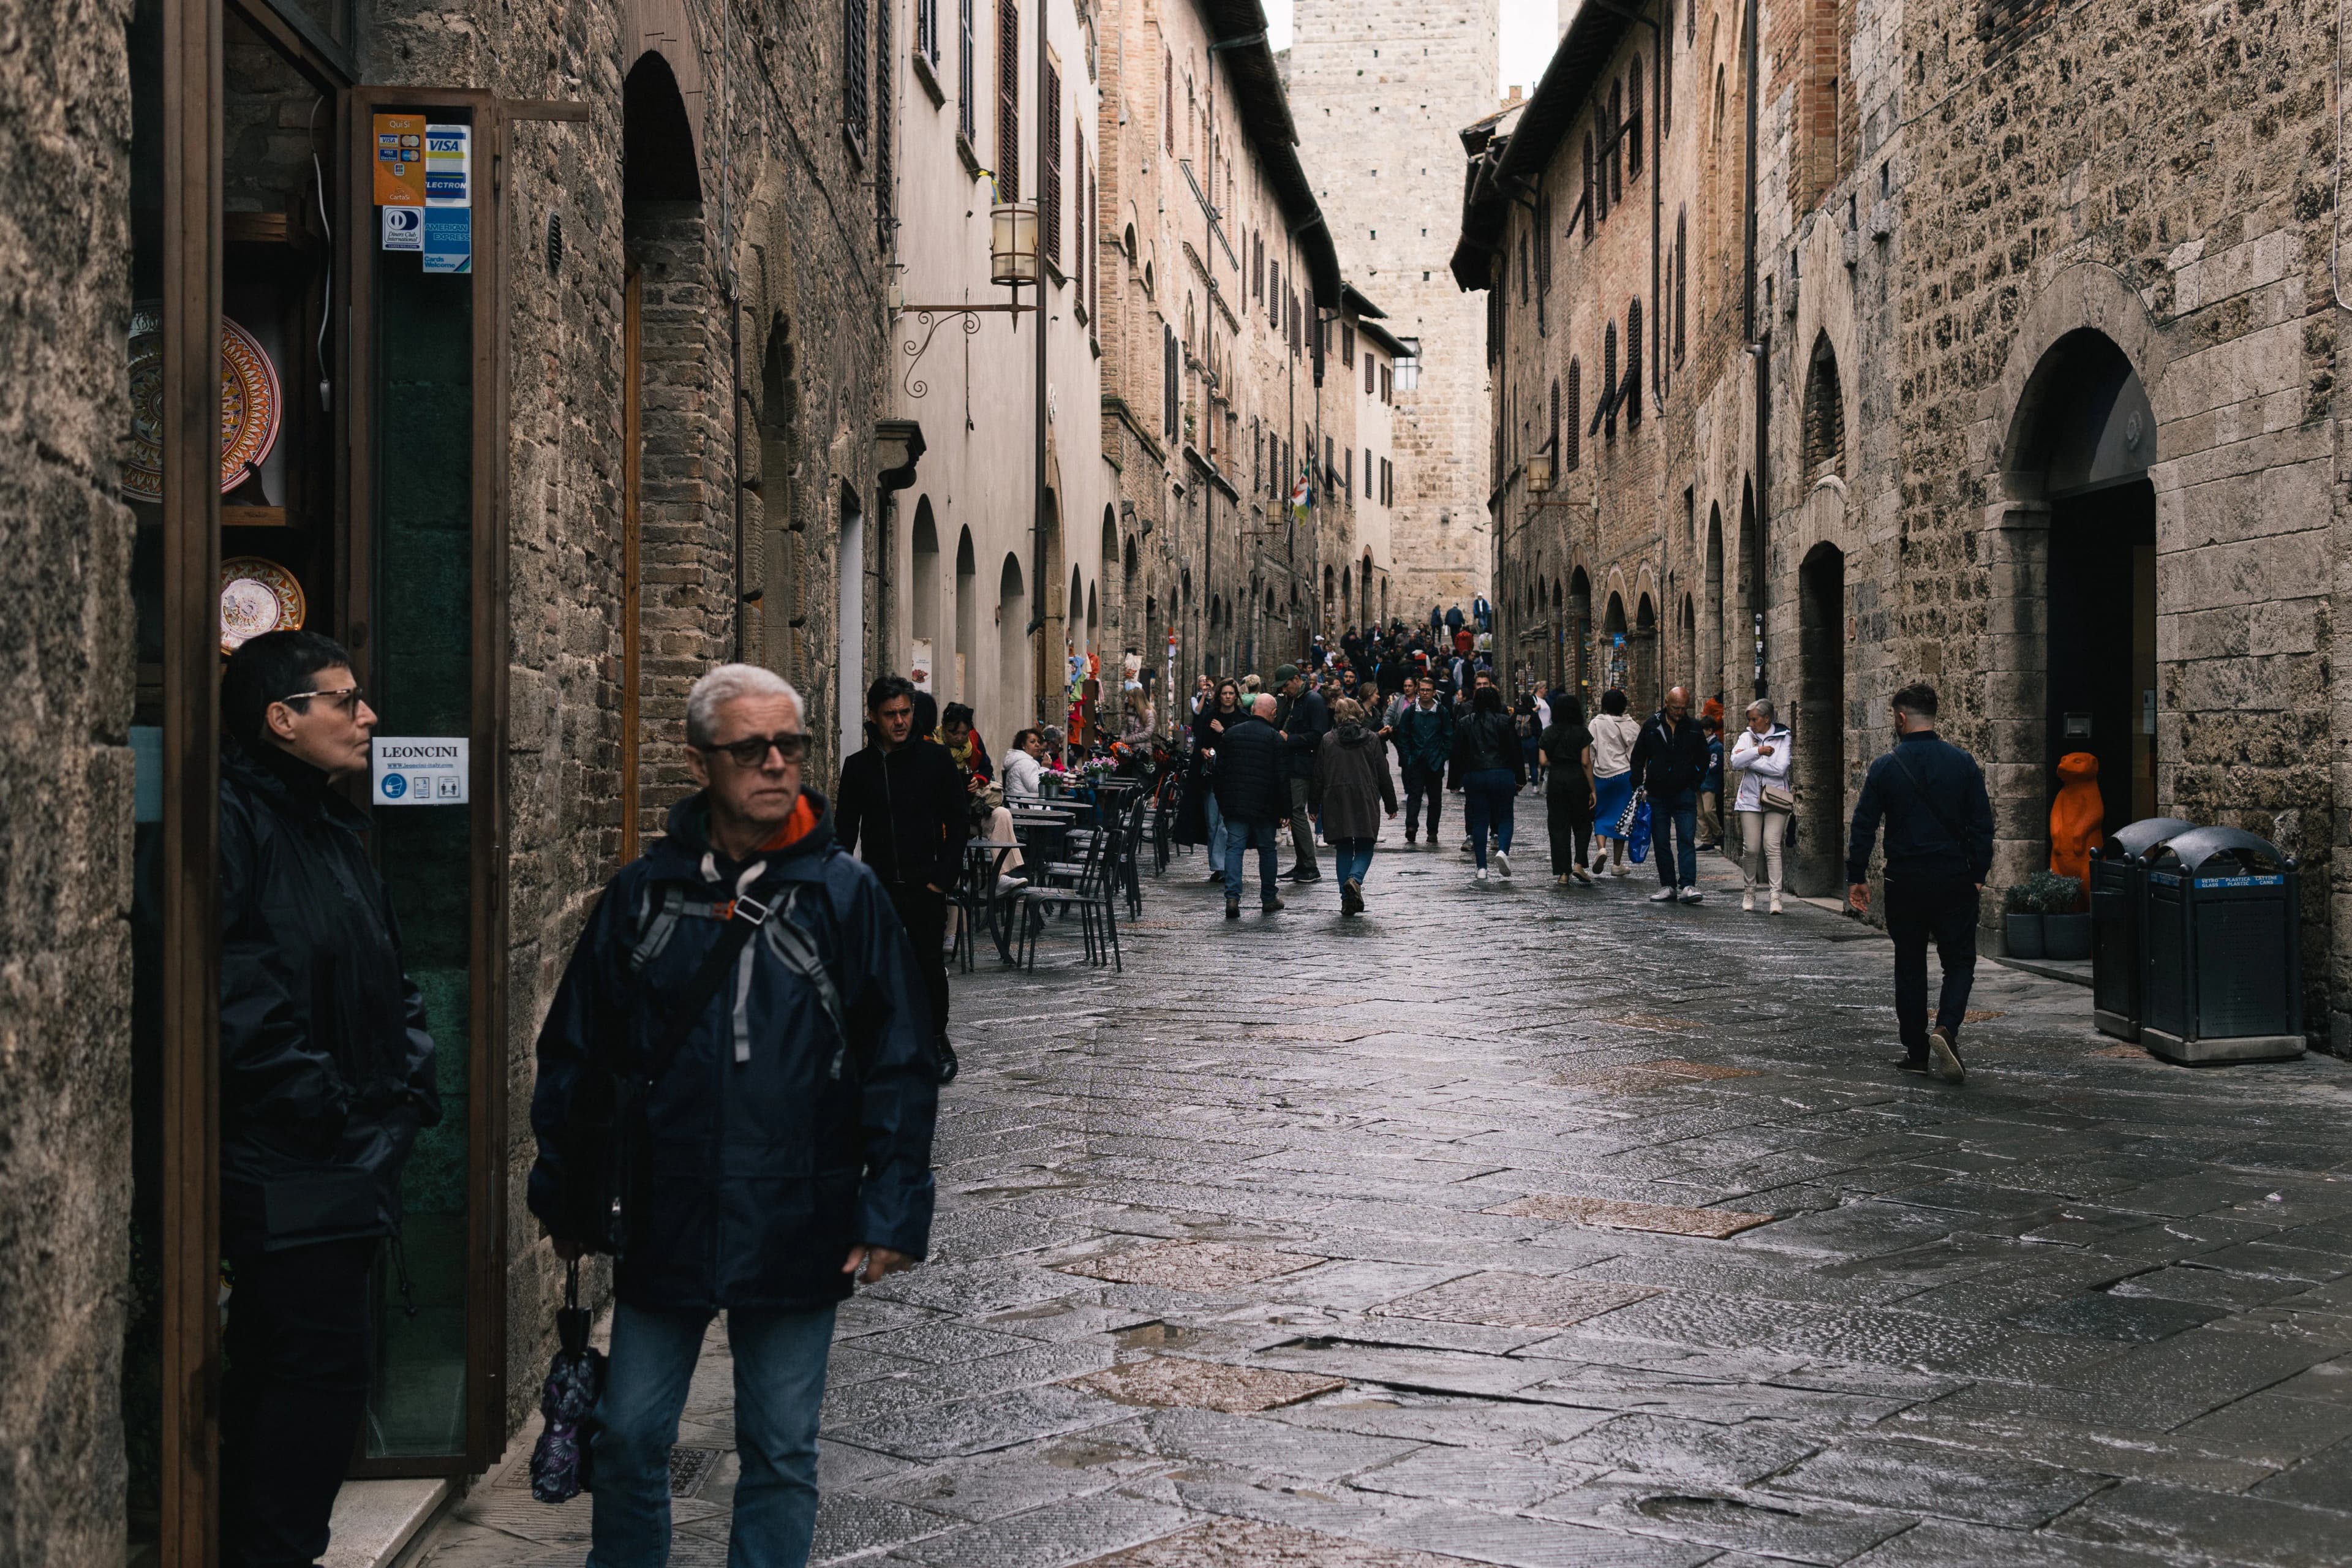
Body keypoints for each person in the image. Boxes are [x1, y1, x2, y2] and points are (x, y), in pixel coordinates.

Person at [530, 662, 937, 1566]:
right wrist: (564, 1193)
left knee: (781, 1450)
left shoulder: (845, 896)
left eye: (789, 745)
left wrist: (894, 1204)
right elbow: (578, 1053)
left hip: (799, 1207)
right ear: (700, 761)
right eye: (750, 748)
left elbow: (902, 1060)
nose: (775, 765)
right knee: (629, 1434)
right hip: (664, 1207)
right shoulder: (644, 896)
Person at [216, 630, 440, 1568]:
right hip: (289, 1164)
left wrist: (411, 1078)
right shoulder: (236, 822)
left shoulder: (328, 823)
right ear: (282, 720)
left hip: (341, 1159)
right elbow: (236, 993)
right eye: (346, 701)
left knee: (313, 1379)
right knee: (311, 1382)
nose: (369, 716)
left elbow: (386, 971)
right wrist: (332, 1111)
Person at [1847, 681, 1994, 1085]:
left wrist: (1856, 877)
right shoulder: (1962, 763)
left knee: (1909, 963)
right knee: (1959, 961)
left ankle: (1915, 1051)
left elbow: (1864, 827)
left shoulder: (1885, 767)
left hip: (1905, 879)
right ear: (1934, 716)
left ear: (1900, 718)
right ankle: (1945, 1028)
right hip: (1954, 878)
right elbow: (1983, 824)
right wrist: (1979, 874)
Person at [839, 674, 971, 1079]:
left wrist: (942, 877)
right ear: (874, 717)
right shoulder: (858, 768)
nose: (899, 721)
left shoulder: (935, 761)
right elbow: (845, 831)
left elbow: (960, 820)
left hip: (924, 884)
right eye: (890, 714)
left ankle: (935, 1039)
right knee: (876, 967)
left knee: (928, 965)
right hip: (877, 886)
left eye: (905, 713)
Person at [1311, 696, 1400, 914]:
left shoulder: (1328, 740)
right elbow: (1382, 773)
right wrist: (1391, 803)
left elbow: (1318, 775)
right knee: (1365, 844)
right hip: (1365, 796)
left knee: (1343, 846)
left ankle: (1346, 898)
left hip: (1336, 797)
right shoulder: (1371, 739)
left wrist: (1313, 806)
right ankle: (1355, 878)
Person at [1631, 686, 1712, 904]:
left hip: (1684, 792)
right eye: (1676, 708)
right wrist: (1639, 785)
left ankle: (1687, 885)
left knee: (1687, 839)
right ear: (1666, 704)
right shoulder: (1652, 725)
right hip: (1657, 793)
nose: (1679, 712)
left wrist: (1695, 781)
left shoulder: (1694, 727)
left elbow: (1704, 758)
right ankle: (1667, 885)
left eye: (1684, 708)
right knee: (1661, 841)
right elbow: (1638, 756)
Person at [1213, 693, 1289, 918]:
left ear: (1253, 708)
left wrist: (1223, 801)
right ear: (1273, 713)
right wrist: (1285, 809)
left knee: (1234, 849)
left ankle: (1233, 898)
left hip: (1236, 803)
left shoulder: (1232, 734)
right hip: (1265, 806)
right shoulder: (1275, 739)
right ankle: (1268, 897)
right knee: (1267, 850)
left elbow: (1220, 772)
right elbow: (1282, 777)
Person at [1451, 683, 1526, 883]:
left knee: (1480, 820)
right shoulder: (1504, 722)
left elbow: (1457, 753)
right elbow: (1515, 751)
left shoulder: (1466, 722)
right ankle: (1503, 850)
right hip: (1502, 773)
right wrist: (1521, 778)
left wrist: (1454, 781)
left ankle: (1482, 867)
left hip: (1475, 775)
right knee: (1505, 817)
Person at [1730, 698, 1793, 913]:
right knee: (1751, 848)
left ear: (1767, 719)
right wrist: (1758, 752)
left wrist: (1750, 761)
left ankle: (1776, 896)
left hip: (1776, 797)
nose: (1751, 723)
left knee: (1772, 845)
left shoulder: (1783, 736)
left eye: (1755, 719)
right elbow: (1735, 762)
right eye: (1749, 720)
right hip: (1749, 798)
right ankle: (1750, 891)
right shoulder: (1746, 737)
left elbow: (1780, 768)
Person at [1273, 664, 1329, 881]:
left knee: (1297, 812)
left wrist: (1291, 739)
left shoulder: (1313, 701)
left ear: (1297, 679)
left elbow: (1319, 735)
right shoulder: (1292, 700)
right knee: (1293, 811)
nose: (1285, 690)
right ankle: (1301, 864)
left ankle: (1309, 866)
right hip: (1291, 764)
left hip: (1304, 766)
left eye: (1286, 685)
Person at [1539, 694, 1597, 885]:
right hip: (1577, 780)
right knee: (1583, 823)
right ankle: (1579, 863)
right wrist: (1593, 789)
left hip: (1556, 779)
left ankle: (1563, 873)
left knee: (1558, 826)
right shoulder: (1582, 733)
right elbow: (1586, 762)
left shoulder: (1548, 733)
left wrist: (1556, 764)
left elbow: (1543, 761)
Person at [1191, 678, 1245, 881]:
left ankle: (1223, 865)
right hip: (1211, 775)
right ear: (1219, 696)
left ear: (1236, 696)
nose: (1228, 697)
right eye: (1225, 693)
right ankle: (1216, 865)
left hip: (1232, 776)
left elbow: (1238, 744)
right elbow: (1201, 742)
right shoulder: (1210, 716)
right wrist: (1204, 751)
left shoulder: (1241, 718)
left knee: (1225, 822)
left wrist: (1222, 731)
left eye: (1231, 693)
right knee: (1212, 821)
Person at [1393, 676, 1453, 847]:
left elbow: (1448, 737)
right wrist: (1408, 757)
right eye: (1422, 690)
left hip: (1435, 762)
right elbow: (1403, 736)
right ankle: (1411, 826)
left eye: (1428, 690)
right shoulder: (1411, 712)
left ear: (1434, 692)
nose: (1425, 693)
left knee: (1435, 799)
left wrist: (1442, 757)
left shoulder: (1442, 712)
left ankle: (1432, 831)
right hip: (1416, 761)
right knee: (1414, 795)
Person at [1588, 688, 1642, 876]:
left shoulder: (1596, 723)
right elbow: (1634, 754)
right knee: (1622, 819)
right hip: (1623, 776)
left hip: (1601, 776)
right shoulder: (1631, 725)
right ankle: (1617, 864)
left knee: (1601, 815)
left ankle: (1602, 849)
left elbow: (1591, 751)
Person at [1697, 701, 1726, 851]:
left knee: (1709, 811)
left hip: (1709, 782)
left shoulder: (1716, 746)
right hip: (1700, 783)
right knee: (1701, 814)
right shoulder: (1700, 745)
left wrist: (1699, 769)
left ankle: (1718, 833)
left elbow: (1714, 765)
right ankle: (1706, 839)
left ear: (1709, 730)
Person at [1001, 726, 1047, 802]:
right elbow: (1037, 789)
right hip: (1027, 808)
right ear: (1023, 745)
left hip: (1018, 805)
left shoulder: (1020, 761)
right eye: (1032, 742)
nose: (1037, 745)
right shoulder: (1026, 763)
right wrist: (1045, 768)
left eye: (1038, 742)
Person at [1513, 692, 1542, 789]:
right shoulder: (1533, 714)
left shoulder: (1516, 713)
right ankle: (1535, 786)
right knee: (1533, 764)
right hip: (1531, 741)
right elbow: (1539, 729)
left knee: (1517, 763)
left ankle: (1517, 785)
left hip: (1519, 741)